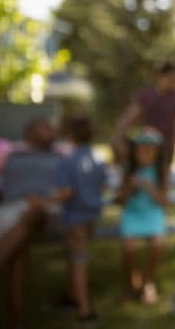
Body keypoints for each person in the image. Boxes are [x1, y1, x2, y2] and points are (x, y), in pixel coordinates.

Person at [0, 117, 61, 329]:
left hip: (48, 208)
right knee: (19, 250)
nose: (50, 130)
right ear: (29, 133)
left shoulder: (63, 153)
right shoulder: (10, 153)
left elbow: (73, 185)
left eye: (50, 127)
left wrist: (47, 200)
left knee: (32, 214)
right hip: (11, 207)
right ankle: (16, 321)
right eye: (43, 127)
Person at [50, 115, 107, 323]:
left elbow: (66, 192)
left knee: (78, 261)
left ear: (70, 135)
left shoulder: (66, 162)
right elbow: (102, 186)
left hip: (74, 218)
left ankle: (84, 310)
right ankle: (71, 296)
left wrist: (44, 199)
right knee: (75, 258)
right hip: (92, 215)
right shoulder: (98, 157)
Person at [117, 128, 168, 305]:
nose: (145, 153)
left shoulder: (160, 171)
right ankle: (133, 282)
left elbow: (163, 201)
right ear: (135, 151)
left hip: (153, 213)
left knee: (158, 244)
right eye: (142, 149)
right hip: (132, 213)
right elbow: (121, 201)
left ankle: (148, 283)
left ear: (157, 152)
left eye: (150, 149)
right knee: (129, 247)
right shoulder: (129, 169)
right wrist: (129, 188)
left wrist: (148, 186)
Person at [111, 62, 175, 170]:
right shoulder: (146, 95)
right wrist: (117, 137)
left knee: (161, 180)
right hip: (146, 146)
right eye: (171, 77)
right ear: (161, 76)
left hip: (165, 149)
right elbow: (129, 118)